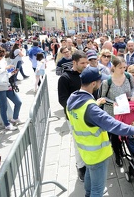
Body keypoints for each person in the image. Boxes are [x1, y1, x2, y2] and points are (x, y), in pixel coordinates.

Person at [66, 66, 134, 197]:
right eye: (100, 81)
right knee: (97, 191)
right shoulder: (91, 109)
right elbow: (111, 124)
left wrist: (95, 103)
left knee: (89, 179)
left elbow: (85, 116)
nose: (100, 83)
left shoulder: (73, 99)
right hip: (97, 154)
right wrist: (133, 130)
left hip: (85, 151)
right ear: (94, 83)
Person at [58, 50, 89, 181]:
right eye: (82, 63)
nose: (85, 65)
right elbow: (63, 100)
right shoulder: (65, 78)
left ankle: (89, 163)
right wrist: (77, 108)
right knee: (78, 143)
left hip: (89, 115)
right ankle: (81, 167)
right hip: (74, 117)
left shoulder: (87, 74)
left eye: (86, 62)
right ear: (74, 62)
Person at [100, 57, 134, 167]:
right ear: (113, 67)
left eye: (124, 67)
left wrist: (133, 96)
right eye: (120, 68)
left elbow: (133, 88)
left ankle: (132, 152)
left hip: (126, 110)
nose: (123, 70)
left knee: (127, 131)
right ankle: (118, 154)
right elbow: (103, 98)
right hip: (113, 112)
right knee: (115, 136)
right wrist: (112, 102)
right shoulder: (107, 82)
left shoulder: (128, 77)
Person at [0, 46, 22, 131]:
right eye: (0, 55)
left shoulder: (1, 62)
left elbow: (4, 75)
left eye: (2, 55)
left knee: (18, 102)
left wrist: (11, 73)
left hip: (6, 85)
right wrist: (5, 68)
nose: (2, 57)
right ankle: (7, 124)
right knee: (3, 107)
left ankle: (15, 118)